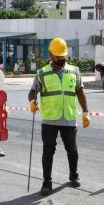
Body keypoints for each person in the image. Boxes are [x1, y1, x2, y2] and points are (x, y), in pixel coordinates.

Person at [28, 38, 90, 196]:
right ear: (50, 55)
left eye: (63, 56)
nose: (61, 59)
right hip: (49, 119)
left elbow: (80, 93)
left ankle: (73, 176)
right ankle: (47, 182)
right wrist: (32, 102)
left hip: (68, 118)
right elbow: (32, 92)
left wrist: (85, 112)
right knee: (48, 151)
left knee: (72, 149)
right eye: (58, 56)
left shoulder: (74, 71)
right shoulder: (41, 73)